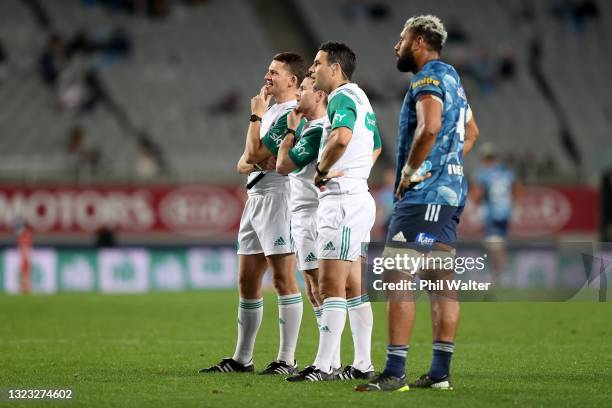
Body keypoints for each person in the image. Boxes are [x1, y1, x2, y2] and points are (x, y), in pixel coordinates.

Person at [356, 15, 479, 392]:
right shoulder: (453, 80)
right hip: (450, 195)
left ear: (421, 40)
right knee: (441, 281)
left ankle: (394, 372)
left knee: (397, 278)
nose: (397, 44)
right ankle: (440, 373)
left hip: (424, 197)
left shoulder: (426, 78)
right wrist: (448, 165)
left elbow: (430, 126)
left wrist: (411, 171)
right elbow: (471, 132)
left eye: (402, 37)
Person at [200, 53, 307, 375]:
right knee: (247, 281)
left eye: (274, 72)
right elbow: (244, 162)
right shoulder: (272, 110)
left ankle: (287, 359)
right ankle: (242, 359)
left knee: (283, 278)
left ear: (292, 80)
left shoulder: (290, 111)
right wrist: (255, 152)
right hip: (256, 195)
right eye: (268, 70)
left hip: (279, 197)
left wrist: (255, 119)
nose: (267, 76)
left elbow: (256, 154)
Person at [277, 74, 381, 380]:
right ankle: (362, 364)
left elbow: (341, 139)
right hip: (348, 200)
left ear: (334, 69)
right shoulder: (358, 97)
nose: (301, 92)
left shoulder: (339, 101)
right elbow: (376, 143)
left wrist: (326, 171)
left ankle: (325, 365)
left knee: (328, 287)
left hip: (340, 203)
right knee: (351, 288)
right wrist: (359, 172)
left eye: (316, 69)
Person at [472, 143, 517, 283]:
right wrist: (515, 206)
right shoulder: (505, 171)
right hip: (505, 213)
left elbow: (478, 193)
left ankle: (498, 274)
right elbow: (516, 188)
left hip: (492, 214)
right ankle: (500, 273)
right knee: (500, 244)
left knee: (493, 245)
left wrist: (478, 208)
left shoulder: (483, 173)